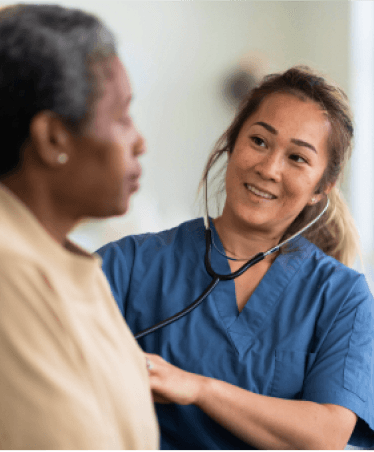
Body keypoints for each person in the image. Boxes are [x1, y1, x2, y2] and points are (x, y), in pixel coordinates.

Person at [97, 66, 374, 450]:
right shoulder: (127, 265)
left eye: (297, 158)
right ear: (232, 143)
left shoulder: (342, 298)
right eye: (259, 141)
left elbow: (325, 435)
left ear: (320, 188)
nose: (268, 168)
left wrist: (199, 389)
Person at [0, 4, 159, 450]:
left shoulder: (67, 262)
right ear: (53, 138)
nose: (139, 141)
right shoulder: (9, 274)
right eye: (122, 117)